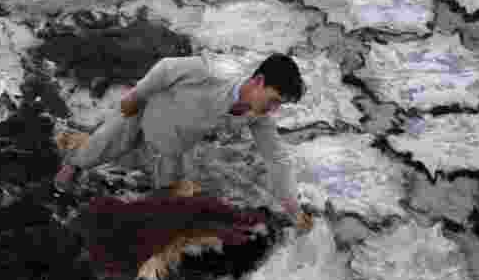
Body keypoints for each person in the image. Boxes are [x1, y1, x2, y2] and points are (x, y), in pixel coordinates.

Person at [54, 52, 314, 231]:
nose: (274, 110)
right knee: (104, 143)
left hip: (177, 143)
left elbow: (277, 159)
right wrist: (137, 95)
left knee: (166, 191)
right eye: (275, 100)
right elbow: (166, 67)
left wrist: (293, 208)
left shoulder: (258, 116)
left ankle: (141, 213)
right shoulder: (210, 70)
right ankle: (73, 165)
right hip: (148, 111)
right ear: (258, 81)